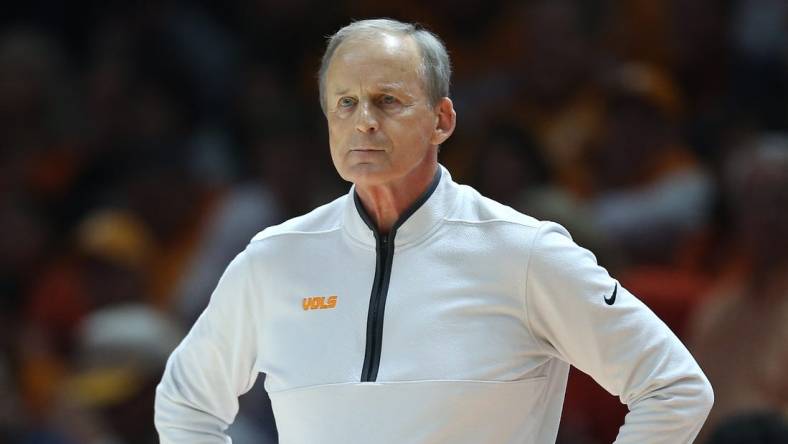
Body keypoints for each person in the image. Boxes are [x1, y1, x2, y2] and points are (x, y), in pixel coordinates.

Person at [154, 19, 713, 443]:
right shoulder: (273, 259)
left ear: (442, 119)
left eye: (387, 101)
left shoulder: (523, 252)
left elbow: (674, 387)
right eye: (345, 103)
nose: (364, 121)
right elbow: (186, 405)